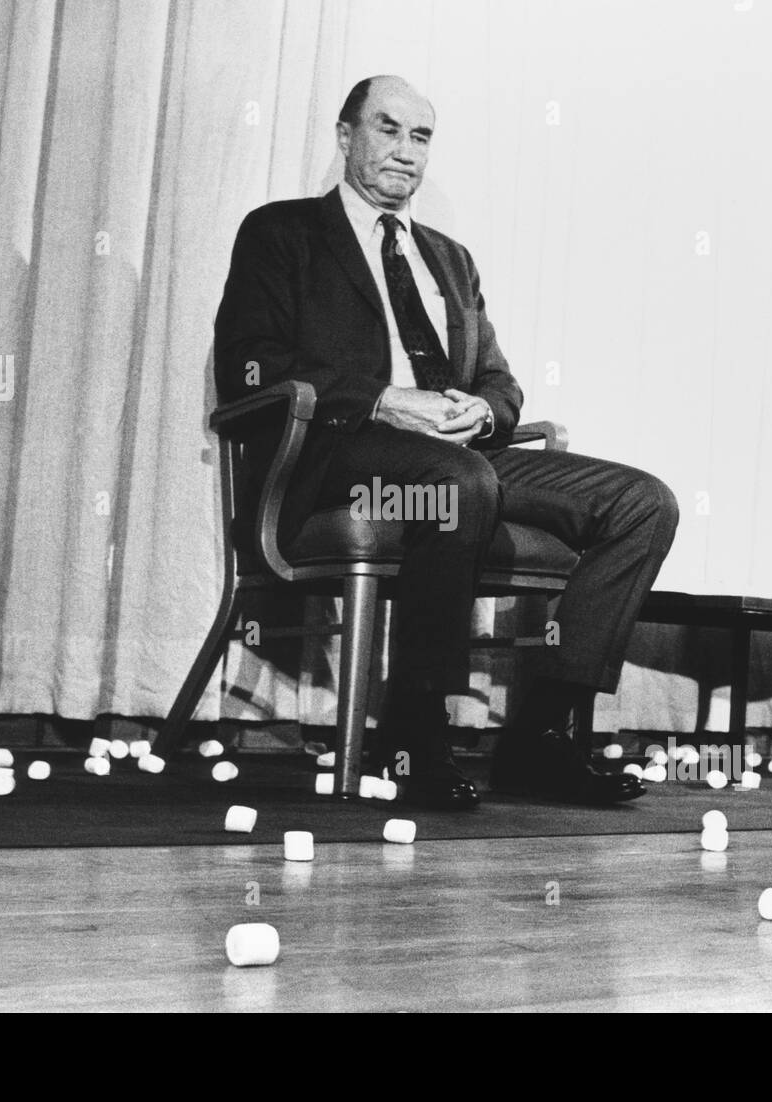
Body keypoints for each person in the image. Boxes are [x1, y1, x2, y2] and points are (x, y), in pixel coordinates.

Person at [215, 76, 679, 810]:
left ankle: (542, 738)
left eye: (421, 137)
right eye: (388, 129)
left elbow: (501, 382)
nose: (405, 151)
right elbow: (249, 364)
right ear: (345, 137)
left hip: (463, 458)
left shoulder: (451, 259)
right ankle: (410, 736)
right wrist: (384, 400)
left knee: (642, 503)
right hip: (342, 465)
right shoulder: (282, 234)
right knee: (457, 484)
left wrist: (483, 413)